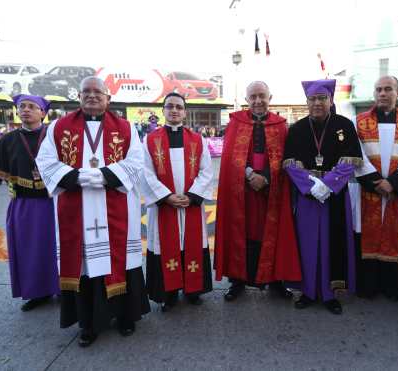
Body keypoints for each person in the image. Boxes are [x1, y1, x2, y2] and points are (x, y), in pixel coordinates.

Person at [36, 76, 149, 347]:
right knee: (86, 265)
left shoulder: (126, 128)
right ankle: (88, 323)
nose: (92, 96)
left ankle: (125, 317)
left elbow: (136, 161)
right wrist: (77, 177)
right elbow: (46, 161)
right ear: (79, 97)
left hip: (116, 208)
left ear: (108, 98)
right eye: (86, 92)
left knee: (121, 260)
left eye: (98, 92)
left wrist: (104, 177)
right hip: (77, 209)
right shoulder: (58, 128)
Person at [215, 81, 301, 301]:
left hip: (271, 191)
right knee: (241, 233)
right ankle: (237, 281)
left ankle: (275, 280)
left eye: (262, 95)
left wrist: (267, 178)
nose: (257, 100)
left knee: (273, 233)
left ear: (270, 97)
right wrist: (250, 175)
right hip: (242, 190)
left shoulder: (280, 124)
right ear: (247, 99)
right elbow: (229, 158)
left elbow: (285, 157)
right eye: (253, 96)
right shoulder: (235, 122)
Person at [283, 79, 363, 314]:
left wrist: (327, 185)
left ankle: (330, 294)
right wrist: (311, 187)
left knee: (332, 244)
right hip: (307, 196)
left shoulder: (344, 126)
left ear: (330, 100)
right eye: (312, 99)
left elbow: (351, 162)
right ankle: (308, 292)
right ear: (307, 102)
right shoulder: (297, 129)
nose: (317, 103)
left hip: (334, 196)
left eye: (322, 98)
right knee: (306, 244)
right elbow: (290, 164)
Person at [350, 76, 398, 300]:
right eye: (378, 89)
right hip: (367, 191)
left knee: (396, 234)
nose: (382, 93)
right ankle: (367, 286)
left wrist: (393, 183)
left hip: (397, 192)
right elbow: (356, 154)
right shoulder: (358, 121)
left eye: (388, 89)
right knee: (366, 232)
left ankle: (393, 287)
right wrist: (376, 182)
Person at [141, 92, 214, 311]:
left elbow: (207, 171)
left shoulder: (197, 139)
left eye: (179, 107)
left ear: (184, 112)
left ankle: (193, 290)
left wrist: (191, 197)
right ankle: (169, 293)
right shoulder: (150, 140)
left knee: (191, 244)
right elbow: (146, 172)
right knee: (167, 246)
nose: (174, 110)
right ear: (163, 111)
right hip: (165, 206)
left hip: (189, 205)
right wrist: (166, 197)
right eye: (170, 106)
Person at [0, 95, 60, 311]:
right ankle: (38, 292)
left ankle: (65, 288)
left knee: (59, 248)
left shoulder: (55, 137)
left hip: (55, 202)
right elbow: (0, 172)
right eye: (22, 107)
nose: (26, 110)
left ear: (43, 113)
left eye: (32, 107)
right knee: (30, 249)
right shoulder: (6, 141)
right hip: (25, 204)